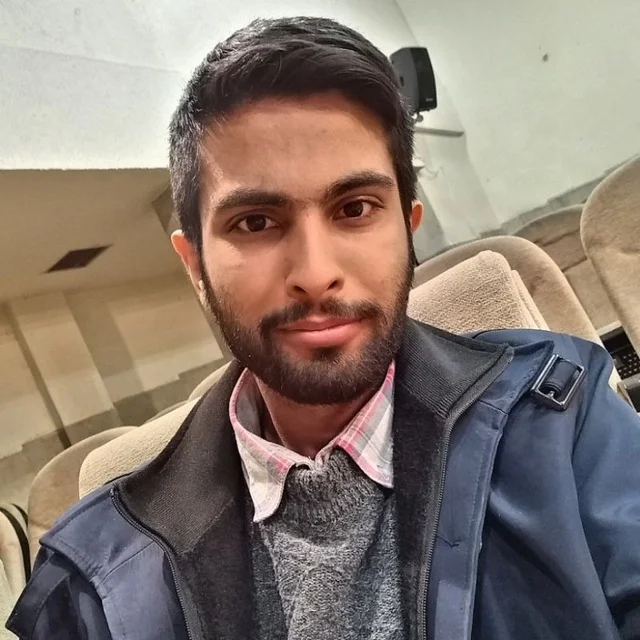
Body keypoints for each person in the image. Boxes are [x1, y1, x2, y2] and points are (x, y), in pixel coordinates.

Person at [7, 16, 640, 640]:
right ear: (195, 266)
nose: (315, 274)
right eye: (256, 222)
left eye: (354, 208)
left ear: (407, 228)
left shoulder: (562, 416)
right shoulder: (94, 582)